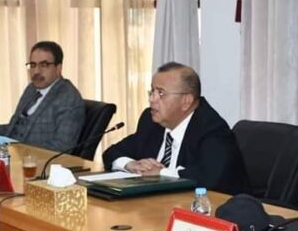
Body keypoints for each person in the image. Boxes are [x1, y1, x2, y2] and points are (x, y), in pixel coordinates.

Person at [103, 62, 250, 195]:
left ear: (186, 101)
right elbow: (111, 153)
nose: (152, 99)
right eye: (152, 91)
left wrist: (161, 173)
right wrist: (131, 165)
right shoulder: (151, 121)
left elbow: (210, 178)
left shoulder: (212, 129)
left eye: (161, 93)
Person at [0, 41, 84, 151]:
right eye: (33, 65)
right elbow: (12, 130)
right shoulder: (32, 89)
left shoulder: (68, 99)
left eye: (44, 65)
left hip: (38, 165)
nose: (36, 71)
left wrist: (20, 153)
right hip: (13, 155)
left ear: (58, 68)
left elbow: (62, 147)